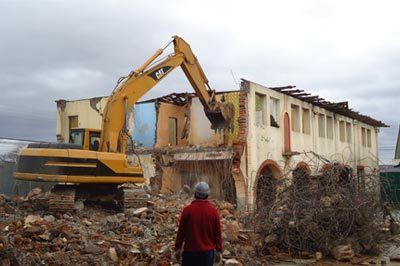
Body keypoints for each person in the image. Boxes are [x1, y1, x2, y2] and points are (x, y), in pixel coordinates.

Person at [174, 181, 223, 266]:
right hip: (207, 255)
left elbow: (181, 232)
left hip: (190, 254)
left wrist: (177, 248)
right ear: (207, 195)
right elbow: (217, 233)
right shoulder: (214, 212)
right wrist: (219, 250)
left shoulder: (187, 210)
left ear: (195, 194)